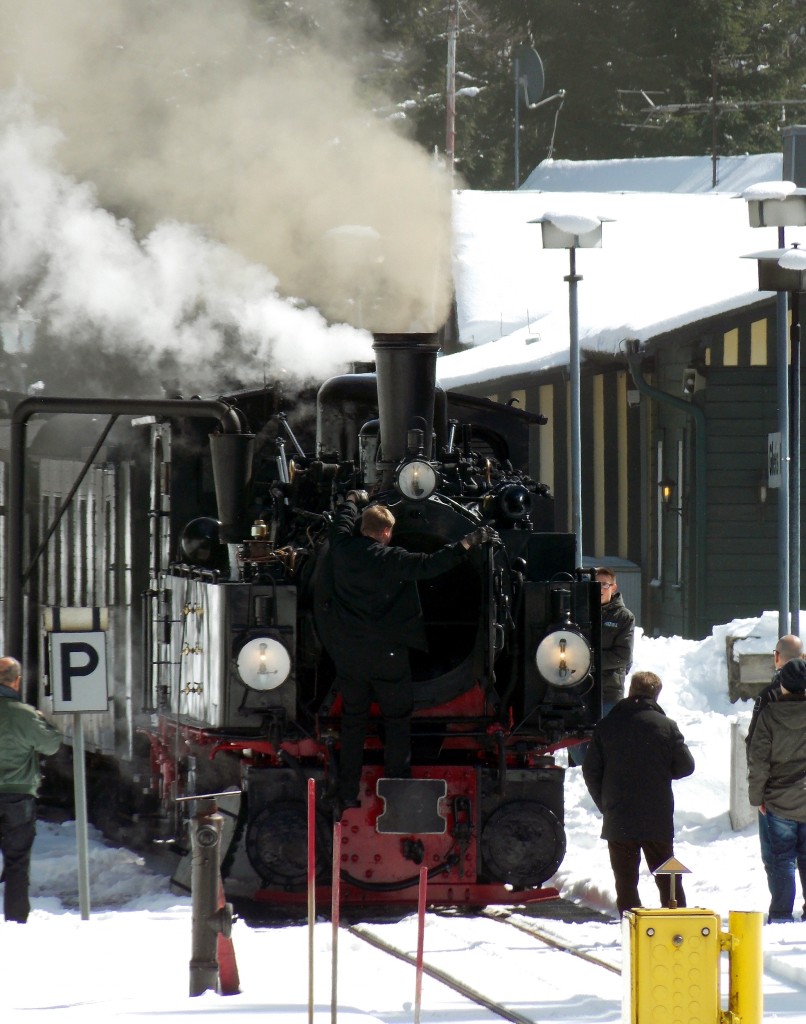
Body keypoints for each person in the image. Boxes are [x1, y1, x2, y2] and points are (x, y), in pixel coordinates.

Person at [323, 491, 490, 817]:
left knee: (353, 723)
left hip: (351, 656)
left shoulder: (342, 549)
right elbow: (431, 565)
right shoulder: (391, 558)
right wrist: (467, 543)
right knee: (397, 720)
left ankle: (347, 793)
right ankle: (397, 787)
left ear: (362, 528)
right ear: (386, 532)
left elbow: (340, 524)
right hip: (388, 655)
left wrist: (352, 499)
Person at [582, 670, 695, 916]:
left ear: (630, 691)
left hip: (619, 816)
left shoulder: (606, 726)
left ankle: (630, 926)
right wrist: (659, 772)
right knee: (668, 874)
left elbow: (590, 771)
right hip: (657, 816)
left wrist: (606, 803)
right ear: (656, 696)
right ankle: (677, 920)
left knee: (625, 880)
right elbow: (686, 766)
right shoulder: (667, 726)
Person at [0, 656, 62, 923]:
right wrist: (45, 722)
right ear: (17, 681)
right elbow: (51, 745)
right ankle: (16, 921)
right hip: (18, 797)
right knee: (16, 862)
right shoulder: (24, 715)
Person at [747, 656, 806, 923]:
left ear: (782, 686)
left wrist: (757, 797)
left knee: (782, 859)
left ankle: (781, 913)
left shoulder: (769, 715)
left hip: (779, 800)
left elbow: (759, 761)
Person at [569, 567, 635, 765]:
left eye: (604, 585)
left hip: (608, 691)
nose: (600, 589)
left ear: (613, 587)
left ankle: (603, 775)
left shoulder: (623, 617)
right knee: (573, 739)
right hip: (579, 689)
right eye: (596, 585)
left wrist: (588, 661)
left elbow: (623, 655)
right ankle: (584, 775)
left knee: (608, 739)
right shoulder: (579, 613)